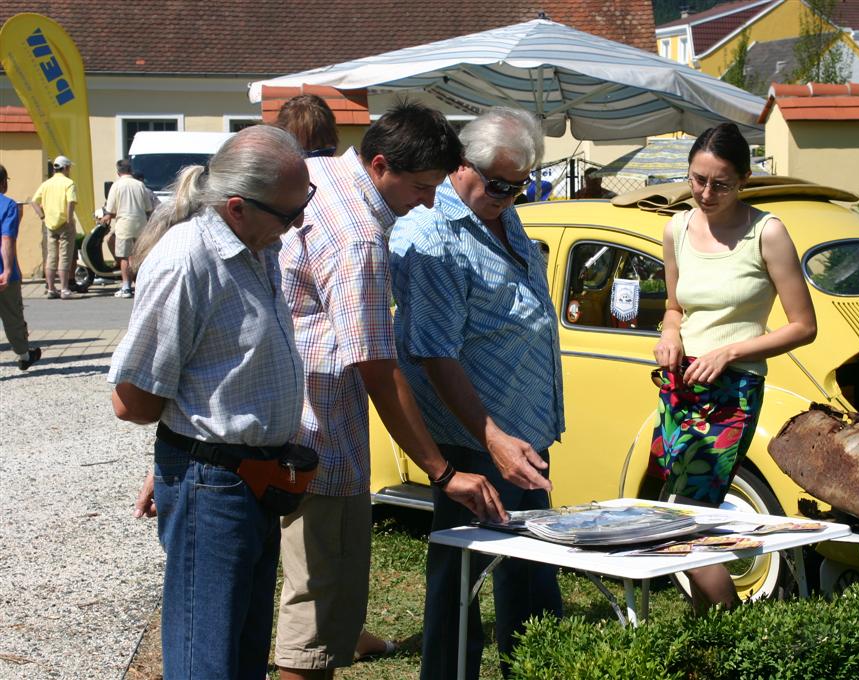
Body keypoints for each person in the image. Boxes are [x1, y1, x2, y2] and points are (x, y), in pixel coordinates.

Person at [273, 96, 506, 680]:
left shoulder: (318, 174)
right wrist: (442, 471)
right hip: (321, 446)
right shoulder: (359, 238)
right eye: (422, 186)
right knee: (316, 629)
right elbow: (377, 365)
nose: (427, 201)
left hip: (278, 426)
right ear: (379, 165)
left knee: (298, 605)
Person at [111, 125, 312, 679]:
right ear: (237, 206)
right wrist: (187, 449)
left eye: (305, 204)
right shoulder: (187, 261)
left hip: (246, 478)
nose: (299, 223)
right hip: (214, 483)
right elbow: (132, 400)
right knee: (208, 658)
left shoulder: (254, 245)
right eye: (290, 213)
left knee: (242, 654)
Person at [389, 107, 564, 680]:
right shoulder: (431, 232)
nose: (510, 196)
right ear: (460, 166)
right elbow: (434, 352)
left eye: (522, 186)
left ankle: (532, 670)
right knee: (463, 577)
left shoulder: (499, 213)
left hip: (521, 430)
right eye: (498, 184)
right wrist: (491, 438)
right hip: (475, 438)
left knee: (530, 574)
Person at [650, 122, 817, 613]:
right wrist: (669, 335)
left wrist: (729, 352)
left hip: (734, 392)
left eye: (720, 183)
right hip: (681, 389)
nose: (704, 193)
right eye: (697, 180)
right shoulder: (675, 228)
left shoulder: (767, 232)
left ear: (744, 179)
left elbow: (803, 326)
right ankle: (713, 633)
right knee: (681, 517)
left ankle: (729, 633)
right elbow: (675, 307)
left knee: (683, 520)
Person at [0, 165, 42, 371]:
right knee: (12, 315)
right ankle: (24, 355)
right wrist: (7, 270)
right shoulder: (8, 205)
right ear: (4, 183)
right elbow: (6, 238)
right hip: (3, 273)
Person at [101, 159, 154, 298]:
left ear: (118, 171)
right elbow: (148, 208)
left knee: (124, 257)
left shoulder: (116, 186)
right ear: (130, 170)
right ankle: (141, 285)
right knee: (139, 256)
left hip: (124, 225)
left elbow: (110, 209)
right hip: (140, 224)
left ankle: (126, 287)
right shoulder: (140, 185)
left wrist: (106, 216)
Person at [30, 155, 78, 299]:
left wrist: (43, 216)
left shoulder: (46, 184)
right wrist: (69, 219)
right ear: (66, 168)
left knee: (51, 256)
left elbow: (34, 201)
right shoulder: (69, 183)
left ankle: (51, 289)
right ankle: (64, 289)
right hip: (64, 223)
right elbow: (71, 202)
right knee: (64, 256)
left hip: (50, 224)